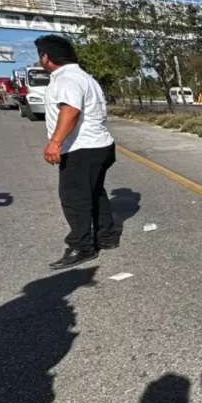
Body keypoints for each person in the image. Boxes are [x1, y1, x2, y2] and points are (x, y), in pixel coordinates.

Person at [37, 35, 119, 269]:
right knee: (95, 193)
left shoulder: (67, 78)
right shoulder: (84, 76)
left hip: (82, 148)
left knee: (74, 199)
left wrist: (55, 142)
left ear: (46, 57)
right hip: (99, 146)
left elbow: (71, 110)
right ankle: (107, 237)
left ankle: (82, 247)